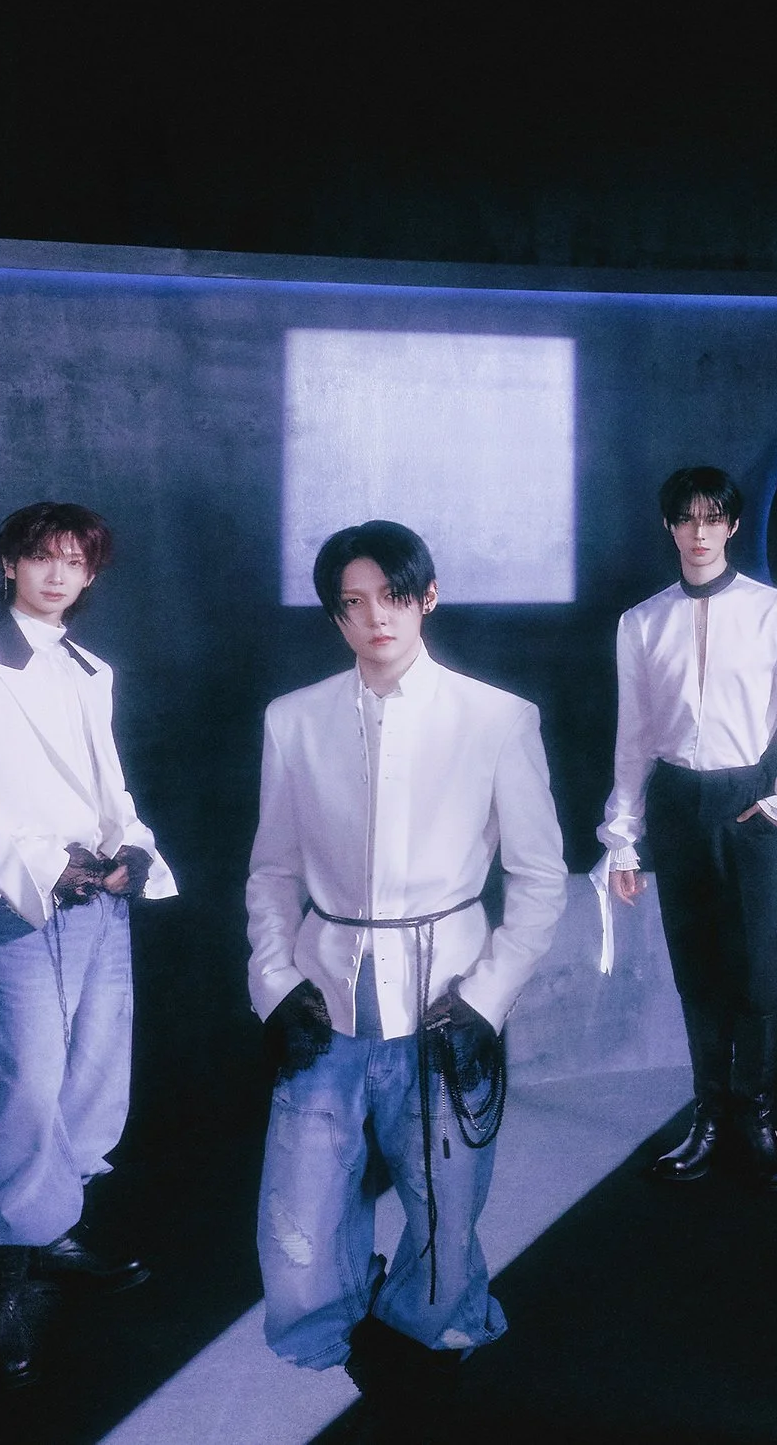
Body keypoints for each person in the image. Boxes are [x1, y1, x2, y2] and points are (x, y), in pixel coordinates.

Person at [245, 521, 567, 1436]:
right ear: (335, 615)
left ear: (427, 597)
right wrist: (274, 981)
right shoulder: (294, 719)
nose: (374, 618)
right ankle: (336, 1327)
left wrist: (487, 997)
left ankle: (422, 1328)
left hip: (445, 995)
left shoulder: (497, 717)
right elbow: (272, 869)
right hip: (326, 989)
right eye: (352, 603)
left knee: (445, 1203)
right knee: (301, 1217)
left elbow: (540, 879)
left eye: (392, 595)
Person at [0, 502, 177, 1387]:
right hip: (23, 899)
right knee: (29, 1085)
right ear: (8, 563)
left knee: (96, 1078)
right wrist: (44, 863)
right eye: (41, 557)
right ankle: (5, 1270)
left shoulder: (90, 668)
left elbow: (110, 791)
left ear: (91, 574)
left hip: (104, 900)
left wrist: (133, 846)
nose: (58, 574)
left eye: (75, 561)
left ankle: (53, 1230)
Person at [601, 466, 777, 1192]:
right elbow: (633, 739)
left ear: (731, 525)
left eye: (712, 518)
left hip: (747, 799)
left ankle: (755, 1112)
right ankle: (709, 1114)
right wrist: (623, 837)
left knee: (758, 974)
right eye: (686, 519)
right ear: (670, 526)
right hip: (675, 803)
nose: (699, 532)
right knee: (696, 969)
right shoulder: (641, 622)